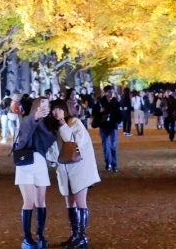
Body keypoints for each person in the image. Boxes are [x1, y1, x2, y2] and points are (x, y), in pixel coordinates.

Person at [51, 99, 100, 248]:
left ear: (65, 110)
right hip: (65, 168)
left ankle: (82, 237)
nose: (56, 112)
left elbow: (71, 141)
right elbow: (54, 149)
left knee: (80, 202)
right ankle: (75, 234)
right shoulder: (54, 127)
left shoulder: (74, 123)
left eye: (59, 109)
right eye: (54, 109)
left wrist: (62, 124)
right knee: (70, 202)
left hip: (80, 167)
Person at [13, 97, 55, 249]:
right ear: (36, 106)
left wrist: (43, 121)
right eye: (42, 106)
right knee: (29, 201)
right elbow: (23, 142)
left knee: (41, 201)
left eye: (47, 106)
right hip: (25, 163)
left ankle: (41, 234)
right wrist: (35, 119)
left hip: (40, 163)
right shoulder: (27, 120)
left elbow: (50, 139)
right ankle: (27, 237)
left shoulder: (48, 123)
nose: (45, 108)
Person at [90, 86, 121, 172]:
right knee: (105, 145)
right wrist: (100, 112)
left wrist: (118, 120)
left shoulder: (115, 102)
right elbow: (94, 113)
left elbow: (119, 113)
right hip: (103, 125)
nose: (111, 93)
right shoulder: (100, 102)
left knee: (113, 145)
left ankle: (114, 164)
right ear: (105, 92)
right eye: (109, 92)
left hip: (113, 125)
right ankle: (108, 162)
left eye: (112, 92)